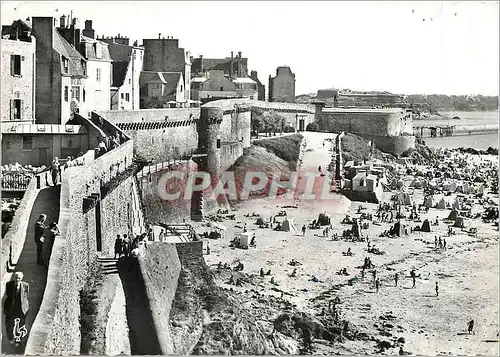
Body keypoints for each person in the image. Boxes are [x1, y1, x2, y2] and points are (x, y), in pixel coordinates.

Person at [4, 272, 29, 347]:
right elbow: (8, 296)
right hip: (11, 308)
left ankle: (19, 339)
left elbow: (26, 296)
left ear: (21, 279)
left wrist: (25, 307)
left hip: (21, 309)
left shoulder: (25, 285)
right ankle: (11, 338)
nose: (17, 279)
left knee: (21, 325)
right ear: (14, 278)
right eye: (16, 278)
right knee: (9, 324)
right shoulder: (9, 285)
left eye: (19, 278)